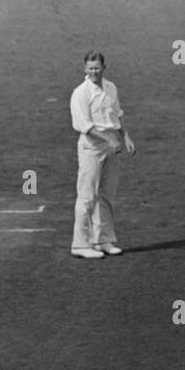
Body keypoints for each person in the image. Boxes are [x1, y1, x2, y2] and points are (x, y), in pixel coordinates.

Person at [70, 51, 135, 259]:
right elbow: (84, 125)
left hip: (111, 146)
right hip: (92, 148)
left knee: (106, 195)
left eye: (97, 68)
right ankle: (80, 244)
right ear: (84, 69)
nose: (93, 72)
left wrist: (125, 137)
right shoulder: (81, 93)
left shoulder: (110, 87)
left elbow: (117, 114)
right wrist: (109, 139)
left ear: (104, 67)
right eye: (90, 68)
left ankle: (103, 240)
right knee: (87, 196)